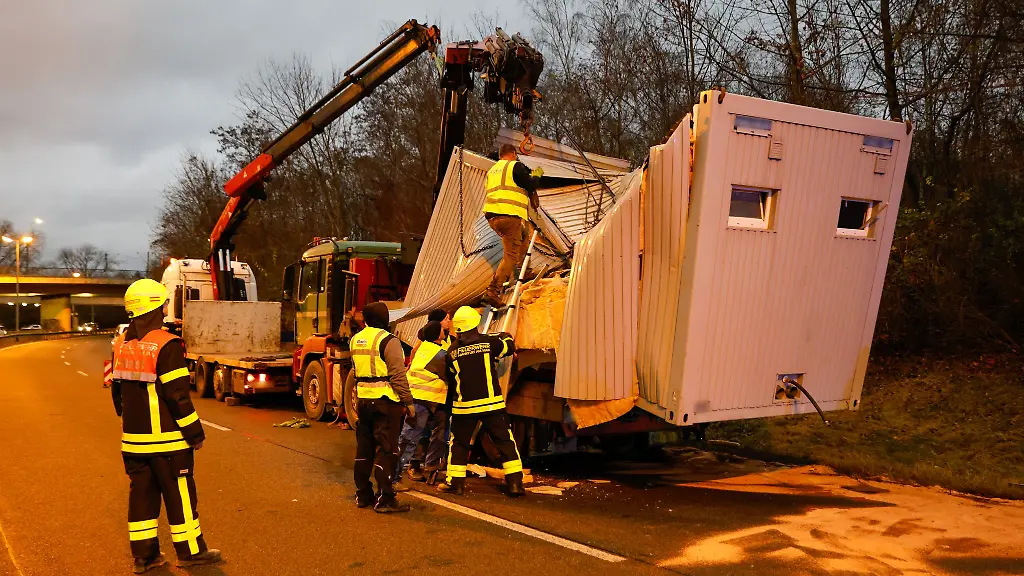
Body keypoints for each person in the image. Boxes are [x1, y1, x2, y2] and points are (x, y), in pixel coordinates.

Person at [110, 279, 221, 573]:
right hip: (169, 443)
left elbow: (117, 393)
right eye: (164, 304)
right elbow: (177, 396)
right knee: (180, 497)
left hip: (133, 442)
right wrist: (195, 433)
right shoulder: (167, 344)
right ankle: (191, 552)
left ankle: (144, 557)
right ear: (157, 307)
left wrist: (132, 423)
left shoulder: (121, 344)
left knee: (142, 498)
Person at [438, 306, 525, 497]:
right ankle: (515, 484)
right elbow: (508, 346)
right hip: (491, 404)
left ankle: (456, 483)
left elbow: (450, 376)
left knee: (459, 444)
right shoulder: (489, 343)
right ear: (475, 324)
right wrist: (506, 334)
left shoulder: (452, 352)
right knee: (504, 441)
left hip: (464, 407)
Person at [351, 301, 417, 513]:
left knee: (364, 448)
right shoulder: (389, 341)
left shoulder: (355, 340)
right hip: (385, 402)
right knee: (387, 450)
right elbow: (398, 375)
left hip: (363, 400)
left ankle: (363, 494)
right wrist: (408, 401)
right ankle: (385, 499)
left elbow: (354, 371)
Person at [482, 144, 543, 305]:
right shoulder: (515, 166)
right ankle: (493, 291)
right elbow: (530, 184)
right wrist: (537, 174)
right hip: (509, 215)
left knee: (523, 234)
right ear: (514, 154)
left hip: (493, 217)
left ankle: (525, 270)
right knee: (510, 254)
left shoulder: (492, 171)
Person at [392, 321, 449, 490]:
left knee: (412, 437)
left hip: (420, 399)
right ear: (437, 334)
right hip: (426, 400)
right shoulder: (439, 354)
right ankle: (396, 478)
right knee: (415, 438)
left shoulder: (423, 348)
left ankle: (399, 474)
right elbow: (449, 375)